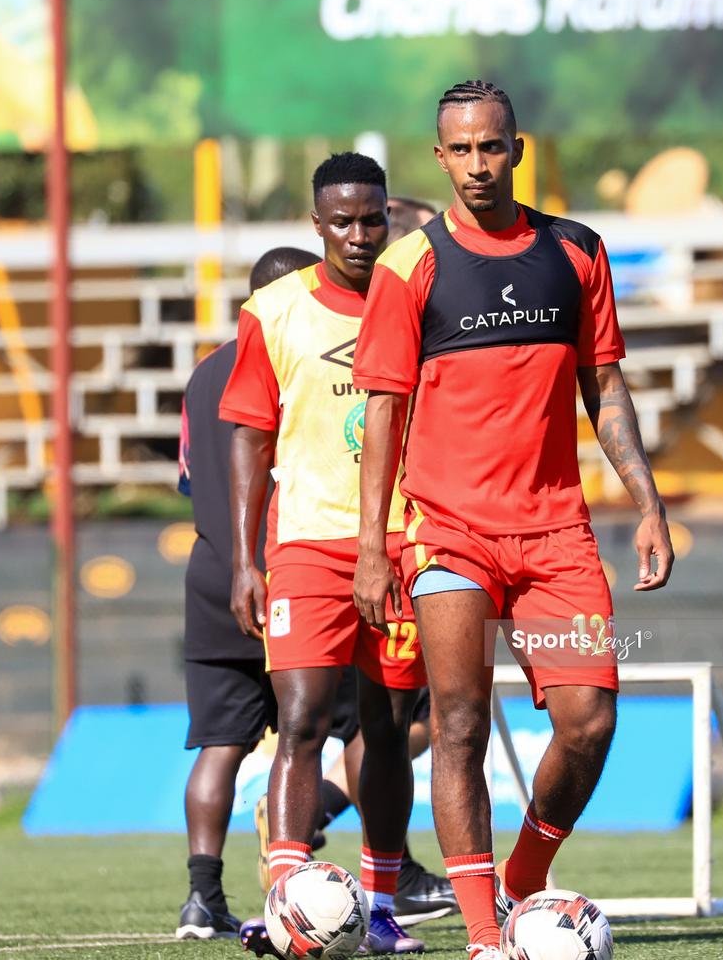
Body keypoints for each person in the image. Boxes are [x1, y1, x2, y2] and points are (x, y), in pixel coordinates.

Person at [352, 81, 675, 959]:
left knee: (589, 722)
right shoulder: (408, 267)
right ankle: (489, 937)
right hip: (448, 532)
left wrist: (647, 503)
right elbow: (382, 410)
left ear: (517, 148)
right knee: (456, 723)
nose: (477, 165)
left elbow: (604, 384)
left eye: (491, 147)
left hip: (556, 534)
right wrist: (373, 547)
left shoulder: (575, 252)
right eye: (460, 150)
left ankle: (525, 874)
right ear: (439, 156)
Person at [221, 152, 427, 955]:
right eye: (341, 221)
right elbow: (248, 432)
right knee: (302, 716)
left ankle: (378, 902)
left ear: (389, 218)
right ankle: (286, 899)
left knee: (384, 724)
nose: (358, 234)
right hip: (306, 540)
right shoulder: (273, 311)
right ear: (317, 226)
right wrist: (246, 557)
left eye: (372, 218)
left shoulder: (420, 298)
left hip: (406, 540)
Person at [175, 247, 319, 940]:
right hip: (288, 570)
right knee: (335, 725)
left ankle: (202, 897)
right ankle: (377, 881)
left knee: (220, 744)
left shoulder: (204, 370)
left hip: (211, 573)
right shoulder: (297, 358)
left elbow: (187, 479)